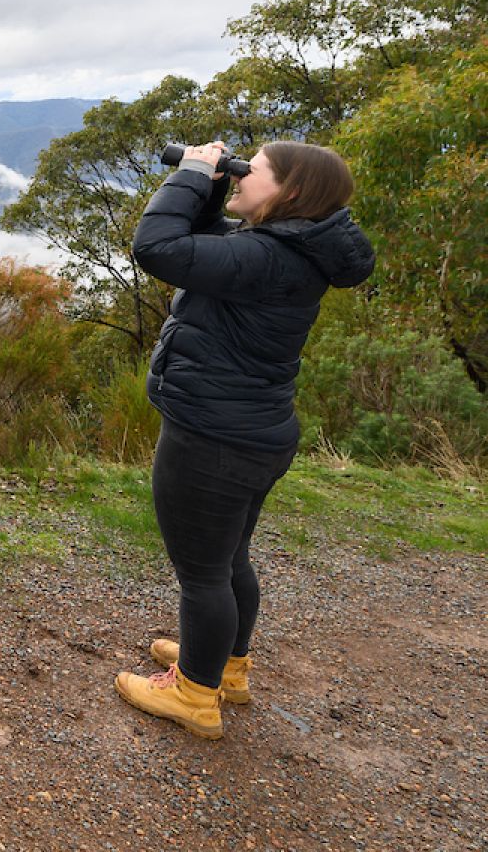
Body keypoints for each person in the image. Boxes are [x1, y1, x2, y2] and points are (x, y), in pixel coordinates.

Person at [116, 140, 374, 739]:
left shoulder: (267, 257)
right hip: (254, 433)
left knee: (202, 573)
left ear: (290, 192)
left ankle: (194, 695)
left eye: (249, 172)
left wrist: (192, 172)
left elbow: (156, 247)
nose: (239, 177)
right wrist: (210, 189)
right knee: (228, 559)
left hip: (211, 438)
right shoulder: (287, 249)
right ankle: (226, 668)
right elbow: (205, 251)